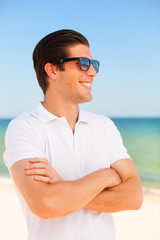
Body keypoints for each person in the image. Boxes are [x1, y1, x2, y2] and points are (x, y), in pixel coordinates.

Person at [4, 29, 143, 240]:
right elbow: (46, 204)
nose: (93, 72)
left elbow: (134, 197)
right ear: (52, 70)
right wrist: (107, 176)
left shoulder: (104, 126)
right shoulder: (25, 127)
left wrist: (62, 189)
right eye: (83, 64)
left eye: (94, 65)